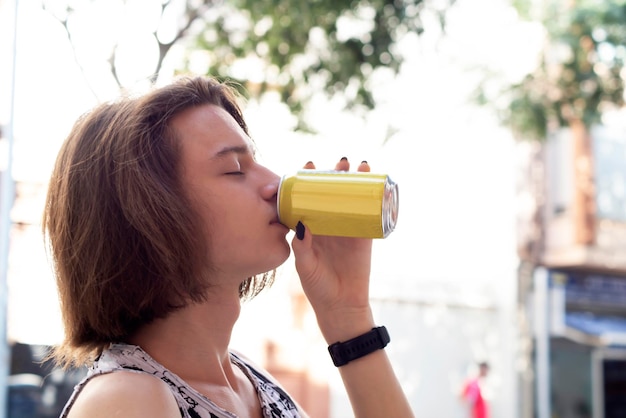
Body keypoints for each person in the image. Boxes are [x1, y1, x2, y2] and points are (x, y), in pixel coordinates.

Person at [43, 75, 415, 418]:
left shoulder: (256, 386)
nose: (273, 183)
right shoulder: (126, 400)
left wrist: (348, 317)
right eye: (235, 168)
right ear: (148, 213)